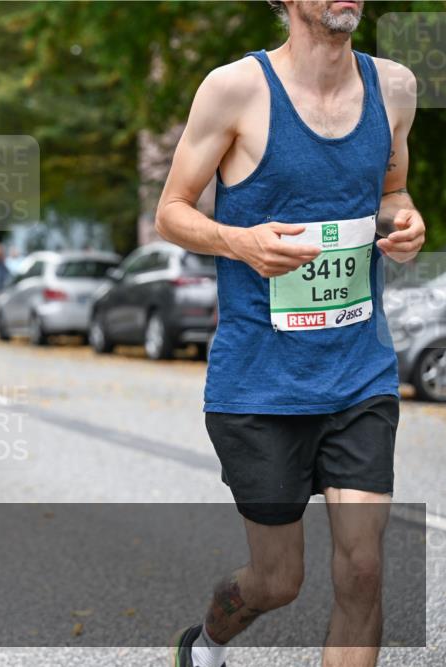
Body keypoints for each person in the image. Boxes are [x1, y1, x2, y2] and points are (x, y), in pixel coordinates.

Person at [154, 2, 424, 666]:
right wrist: (239, 242)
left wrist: (404, 220)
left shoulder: (394, 87)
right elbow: (171, 211)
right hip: (259, 384)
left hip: (360, 371)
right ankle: (208, 643)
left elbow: (391, 191)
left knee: (363, 567)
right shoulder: (234, 89)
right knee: (278, 581)